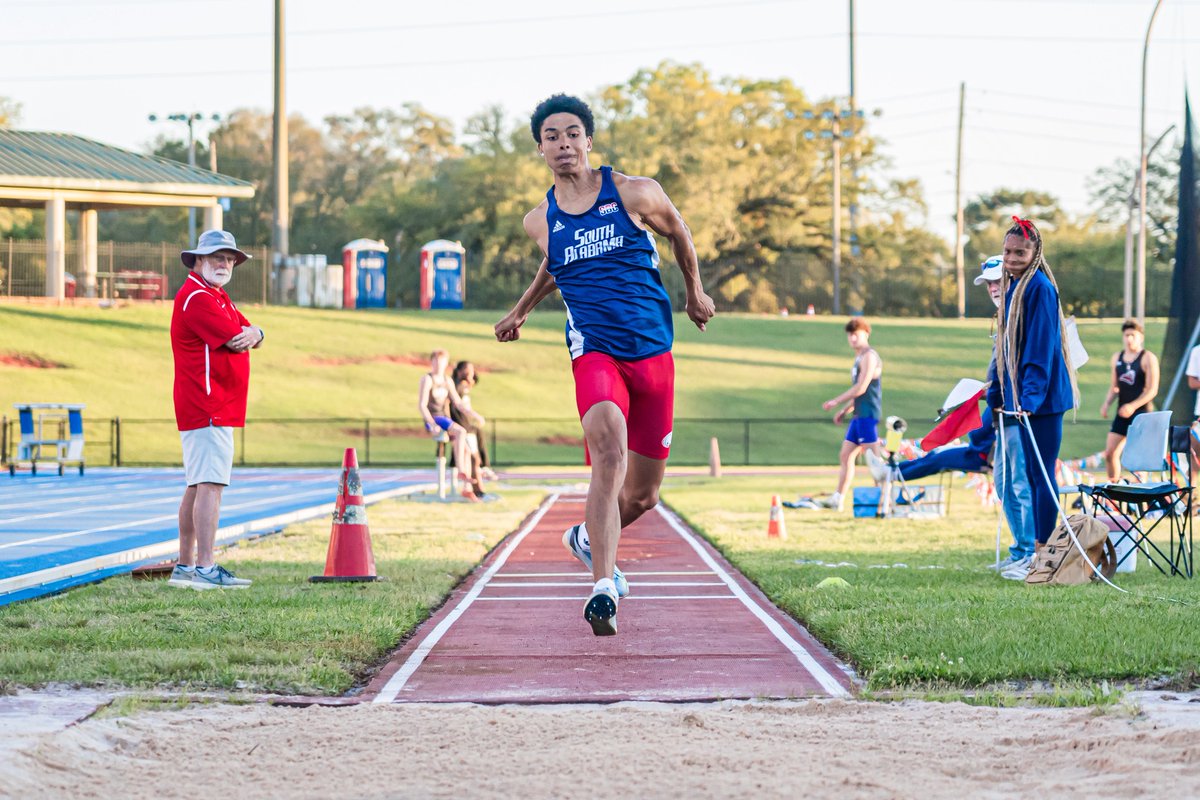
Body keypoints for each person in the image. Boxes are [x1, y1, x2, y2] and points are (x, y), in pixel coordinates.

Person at [494, 93, 716, 636]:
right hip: (594, 349)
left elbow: (680, 232)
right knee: (608, 445)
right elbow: (556, 264)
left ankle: (588, 538)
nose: (563, 143)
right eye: (552, 136)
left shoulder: (636, 192)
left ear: (588, 141)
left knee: (642, 495)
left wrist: (695, 292)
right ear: (540, 149)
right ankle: (602, 587)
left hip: (652, 352)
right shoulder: (539, 219)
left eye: (573, 133)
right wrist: (520, 311)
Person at [168, 230, 263, 590]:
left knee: (197, 483)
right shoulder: (198, 297)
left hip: (212, 404)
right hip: (208, 403)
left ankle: (186, 567)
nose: (224, 264)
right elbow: (237, 338)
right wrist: (252, 333)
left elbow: (250, 330)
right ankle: (205, 568)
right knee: (210, 483)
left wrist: (259, 331)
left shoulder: (215, 295)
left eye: (229, 259)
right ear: (197, 261)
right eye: (216, 258)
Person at [986, 216, 1078, 581]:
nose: (1011, 257)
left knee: (1042, 475)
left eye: (1019, 252)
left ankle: (1042, 555)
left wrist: (1031, 396)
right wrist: (998, 392)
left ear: (1035, 252)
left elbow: (1041, 346)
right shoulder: (1013, 287)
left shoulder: (1039, 287)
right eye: (1007, 251)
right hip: (1018, 398)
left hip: (1040, 400)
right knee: (1032, 474)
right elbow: (1005, 349)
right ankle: (1035, 553)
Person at [819, 318, 884, 512]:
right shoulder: (858, 358)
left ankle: (883, 499)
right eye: (850, 335)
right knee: (845, 455)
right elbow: (859, 393)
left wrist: (836, 401)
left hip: (868, 415)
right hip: (858, 416)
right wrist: (845, 410)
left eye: (857, 334)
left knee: (874, 462)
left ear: (866, 334)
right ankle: (838, 498)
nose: (853, 338)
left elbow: (862, 387)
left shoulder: (870, 356)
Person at [418, 349, 484, 500]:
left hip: (444, 418)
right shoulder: (427, 379)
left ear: (446, 363)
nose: (439, 365)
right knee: (459, 433)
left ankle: (464, 479)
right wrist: (431, 423)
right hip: (433, 417)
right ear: (432, 362)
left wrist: (475, 415)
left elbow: (459, 403)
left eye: (442, 362)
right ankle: (461, 470)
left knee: (464, 441)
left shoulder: (447, 381)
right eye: (436, 361)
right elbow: (422, 405)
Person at [1100, 320, 1159, 481]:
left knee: (1140, 459)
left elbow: (1152, 390)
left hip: (1141, 413)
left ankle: (1142, 496)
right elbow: (1115, 387)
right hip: (1122, 413)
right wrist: (1107, 404)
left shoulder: (1148, 358)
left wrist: (1133, 406)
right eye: (1126, 335)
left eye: (1133, 335)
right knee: (1110, 453)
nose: (1129, 339)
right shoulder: (1117, 358)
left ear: (1140, 337)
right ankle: (1114, 491)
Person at [449, 360, 493, 489]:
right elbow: (460, 406)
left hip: (466, 426)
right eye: (468, 371)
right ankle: (477, 488)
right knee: (473, 459)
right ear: (461, 371)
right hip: (460, 425)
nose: (471, 374)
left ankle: (475, 486)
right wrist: (476, 416)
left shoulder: (462, 386)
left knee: (473, 457)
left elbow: (475, 380)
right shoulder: (459, 385)